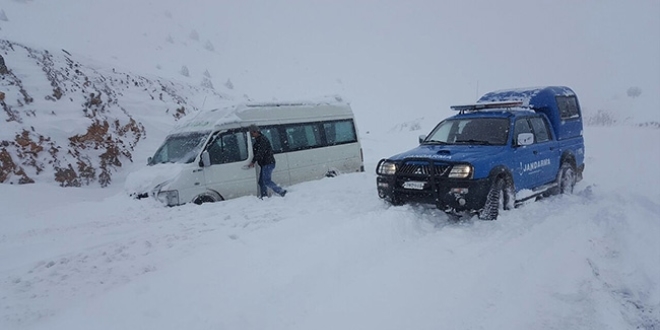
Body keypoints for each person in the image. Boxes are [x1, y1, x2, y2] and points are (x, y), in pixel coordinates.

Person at [247, 124, 287, 198]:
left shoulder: (262, 140)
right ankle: (264, 196)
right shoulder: (258, 140)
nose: (251, 135)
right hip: (265, 163)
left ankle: (281, 191)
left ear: (255, 132)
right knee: (262, 182)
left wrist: (253, 161)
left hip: (268, 163)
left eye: (251, 133)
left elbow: (260, 152)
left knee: (266, 181)